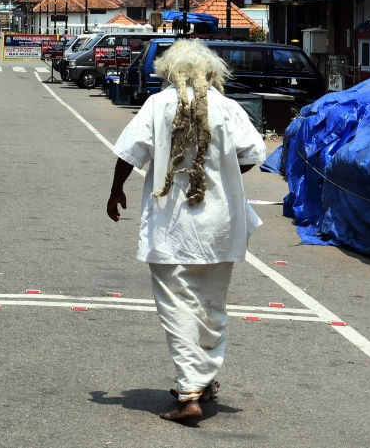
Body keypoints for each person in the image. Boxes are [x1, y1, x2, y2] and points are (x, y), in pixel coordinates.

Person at [106, 39, 267, 422]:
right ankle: (205, 379)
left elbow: (130, 151)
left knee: (177, 307)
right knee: (211, 306)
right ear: (212, 73)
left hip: (170, 227)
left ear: (169, 72)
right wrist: (222, 180)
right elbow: (253, 154)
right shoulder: (227, 108)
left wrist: (115, 190)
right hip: (219, 226)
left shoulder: (158, 105)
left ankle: (190, 393)